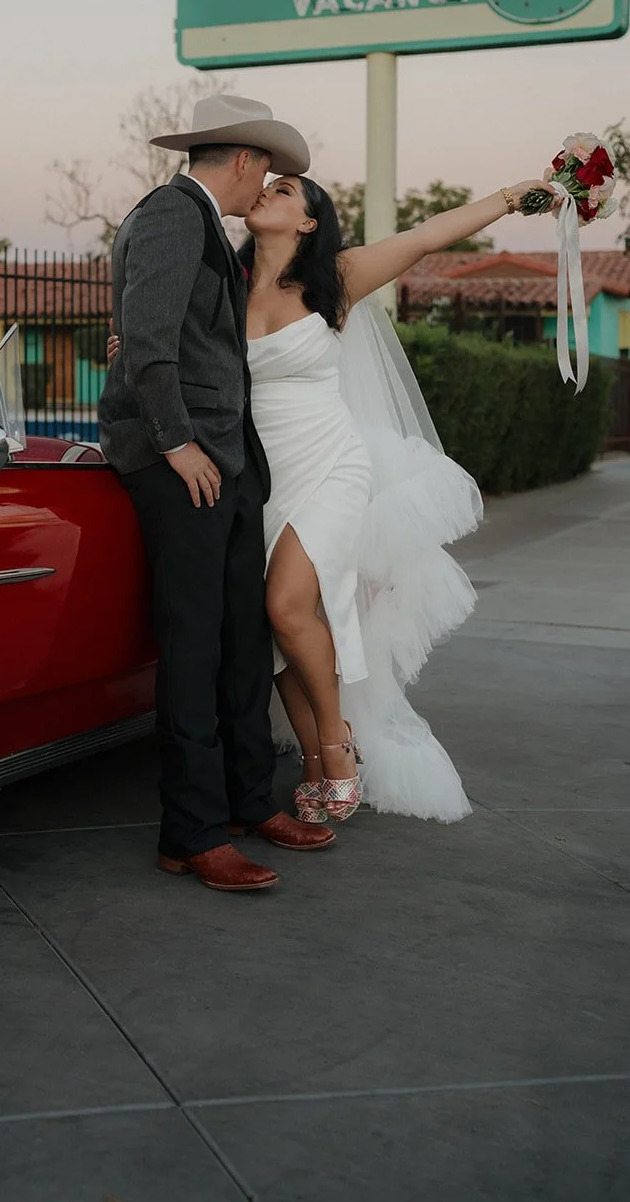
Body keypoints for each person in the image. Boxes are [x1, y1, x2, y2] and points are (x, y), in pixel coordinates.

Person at [111, 163, 554, 827]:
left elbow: (426, 236)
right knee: (271, 626)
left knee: (287, 605)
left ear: (309, 222)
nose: (267, 189)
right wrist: (129, 348)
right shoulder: (224, 286)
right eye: (267, 184)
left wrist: (514, 196)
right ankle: (316, 760)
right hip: (258, 472)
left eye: (285, 190)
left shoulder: (335, 279)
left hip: (328, 464)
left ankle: (336, 744)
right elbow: (166, 344)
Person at [97, 94, 337, 894]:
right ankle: (192, 833)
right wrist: (175, 443)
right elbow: (149, 345)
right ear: (243, 160)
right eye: (264, 170)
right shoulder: (172, 214)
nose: (263, 185)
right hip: (181, 462)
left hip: (228, 462)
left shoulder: (204, 226)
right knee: (194, 644)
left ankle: (246, 802)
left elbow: (176, 334)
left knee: (241, 639)